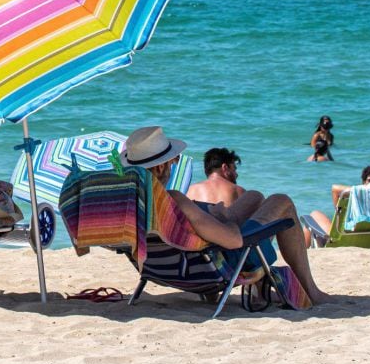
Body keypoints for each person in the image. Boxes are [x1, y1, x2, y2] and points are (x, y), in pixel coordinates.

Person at [121, 126, 329, 305]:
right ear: (160, 166)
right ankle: (311, 291)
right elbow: (233, 240)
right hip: (213, 266)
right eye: (172, 161)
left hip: (160, 269)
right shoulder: (173, 200)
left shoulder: (128, 203)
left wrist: (213, 215)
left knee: (254, 197)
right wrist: (226, 221)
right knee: (281, 201)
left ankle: (261, 283)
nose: (174, 164)